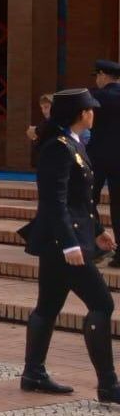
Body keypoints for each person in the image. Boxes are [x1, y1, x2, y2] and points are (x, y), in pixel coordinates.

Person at [19, 88, 117, 404]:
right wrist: (70, 244)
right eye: (90, 109)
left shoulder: (73, 145)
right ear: (80, 113)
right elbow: (54, 202)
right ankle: (108, 385)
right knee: (103, 304)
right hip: (63, 243)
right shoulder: (57, 149)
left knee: (47, 307)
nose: (94, 113)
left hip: (64, 240)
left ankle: (33, 373)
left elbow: (81, 200)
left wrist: (99, 230)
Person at [89, 60, 120, 268]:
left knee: (86, 200)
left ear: (102, 75)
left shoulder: (96, 97)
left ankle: (97, 242)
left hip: (98, 158)